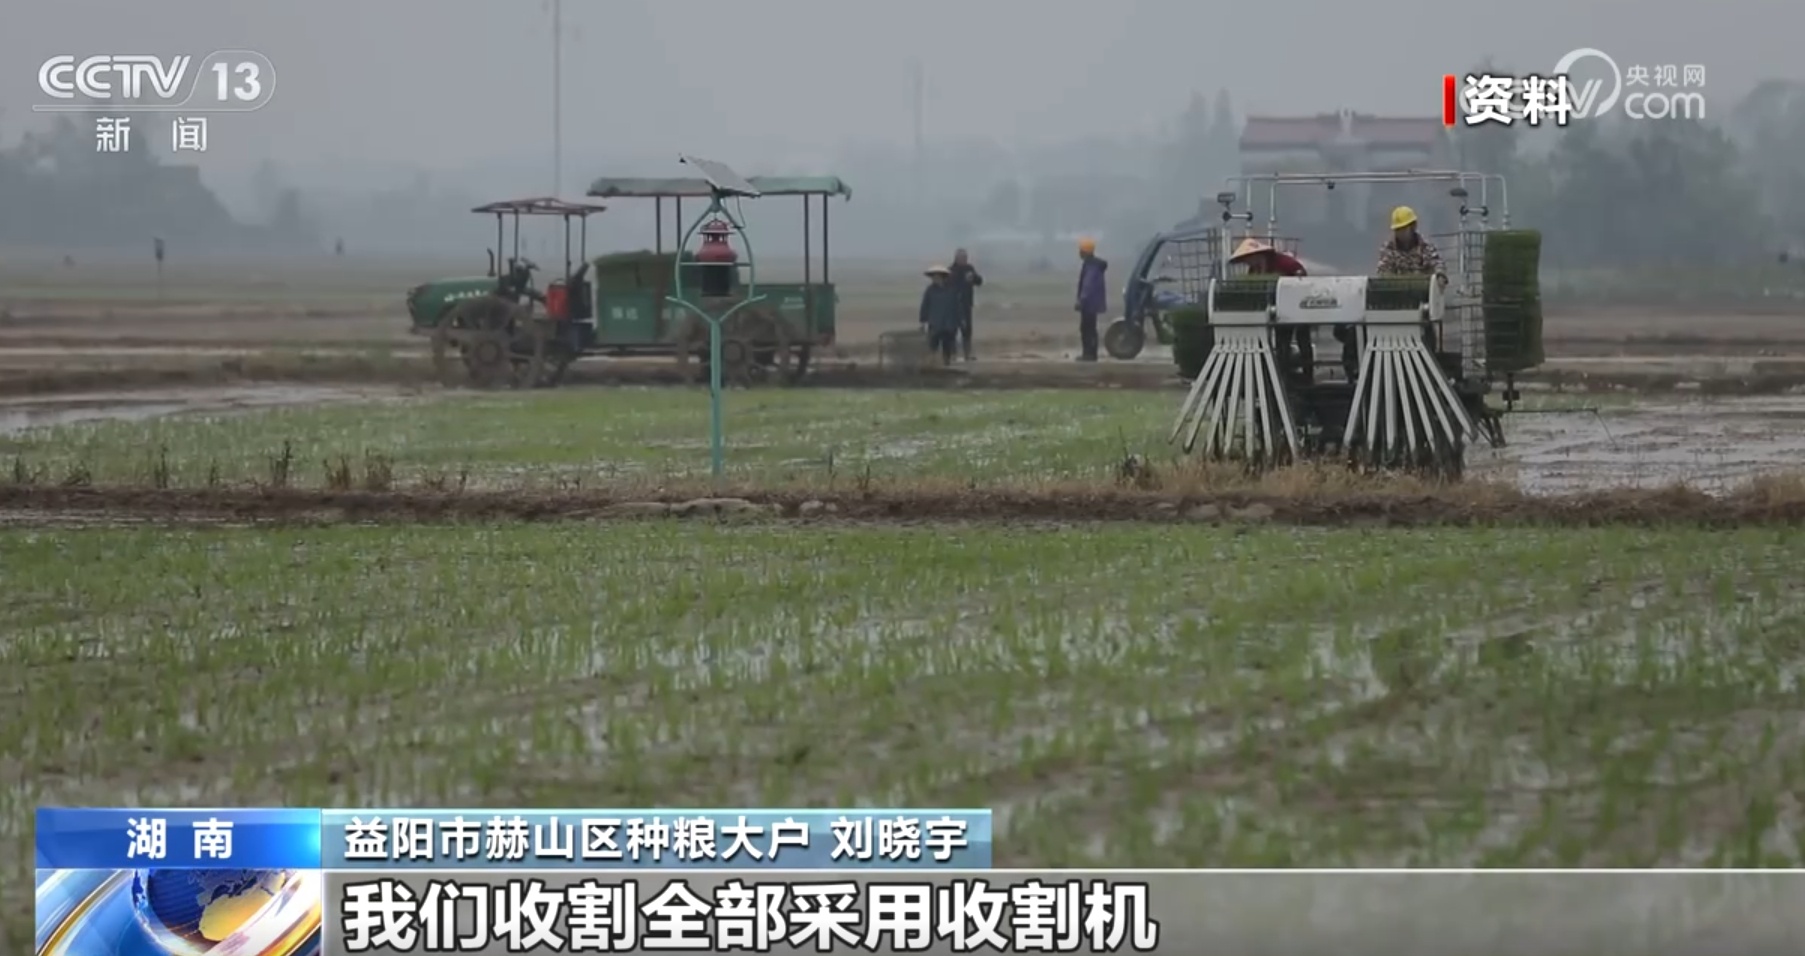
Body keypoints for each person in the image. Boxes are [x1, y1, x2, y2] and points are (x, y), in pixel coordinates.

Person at [1229, 238, 1311, 380]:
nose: (1248, 262)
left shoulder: (1282, 262)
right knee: (1282, 342)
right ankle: (1283, 375)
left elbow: (1301, 274)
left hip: (1299, 305)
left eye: (1248, 258)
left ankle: (1308, 374)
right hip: (1278, 312)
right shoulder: (1254, 271)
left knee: (1303, 339)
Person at [919, 264, 963, 366]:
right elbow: (925, 305)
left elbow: (957, 306)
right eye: (933, 277)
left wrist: (959, 321)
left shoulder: (952, 291)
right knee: (932, 345)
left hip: (949, 323)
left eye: (937, 277)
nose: (935, 279)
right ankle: (932, 364)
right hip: (934, 323)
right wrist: (923, 320)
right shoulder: (930, 290)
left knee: (947, 345)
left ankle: (946, 363)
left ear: (943, 277)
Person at [1074, 237, 1108, 362]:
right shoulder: (1093, 265)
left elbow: (1088, 285)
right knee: (1090, 328)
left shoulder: (1091, 266)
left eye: (1080, 250)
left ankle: (1088, 354)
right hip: (1093, 303)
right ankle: (1091, 353)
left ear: (1084, 252)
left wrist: (1081, 300)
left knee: (1087, 329)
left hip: (1089, 303)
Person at [948, 248, 983, 361]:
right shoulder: (950, 271)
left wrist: (974, 278)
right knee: (952, 330)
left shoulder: (969, 269)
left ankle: (967, 354)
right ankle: (952, 354)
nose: (964, 259)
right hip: (953, 305)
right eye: (962, 257)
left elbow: (979, 282)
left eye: (965, 257)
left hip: (966, 304)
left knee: (967, 330)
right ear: (956, 258)